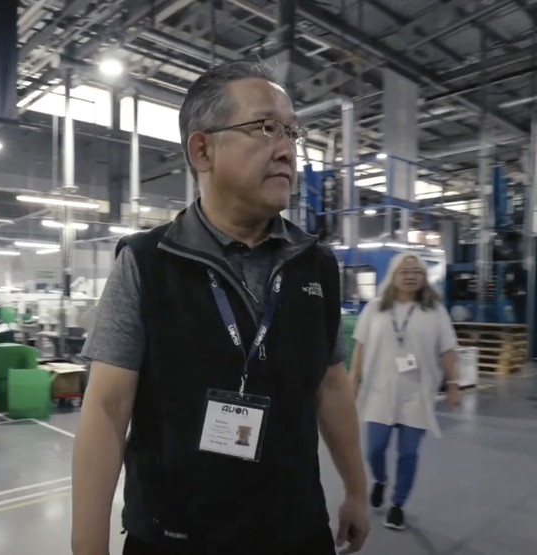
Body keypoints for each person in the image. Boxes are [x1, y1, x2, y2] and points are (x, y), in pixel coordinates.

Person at [72, 60, 370, 555]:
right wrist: (87, 546)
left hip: (296, 531)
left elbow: (332, 384)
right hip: (176, 538)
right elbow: (107, 408)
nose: (287, 150)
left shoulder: (315, 265)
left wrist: (356, 491)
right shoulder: (147, 263)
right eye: (266, 127)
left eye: (292, 133)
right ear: (202, 150)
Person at [349, 252, 459, 532]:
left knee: (408, 453)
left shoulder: (434, 310)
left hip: (417, 394)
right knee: (374, 449)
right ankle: (381, 479)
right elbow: (360, 346)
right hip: (379, 391)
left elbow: (448, 349)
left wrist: (453, 385)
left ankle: (398, 504)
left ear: (424, 278)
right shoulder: (375, 308)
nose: (411, 276)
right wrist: (353, 381)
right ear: (393, 275)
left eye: (417, 271)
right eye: (405, 271)